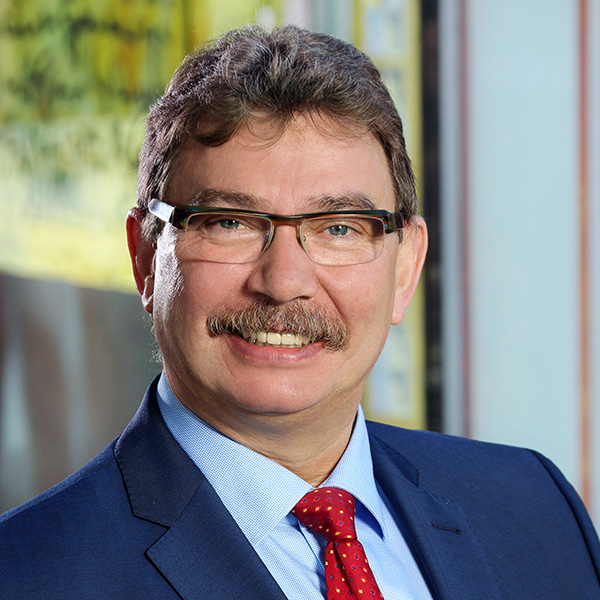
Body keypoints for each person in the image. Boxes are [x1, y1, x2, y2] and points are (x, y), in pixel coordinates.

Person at [0, 25, 598, 600]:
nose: (283, 284)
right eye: (228, 223)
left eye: (339, 227)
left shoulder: (536, 511)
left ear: (406, 267)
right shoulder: (28, 576)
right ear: (145, 257)